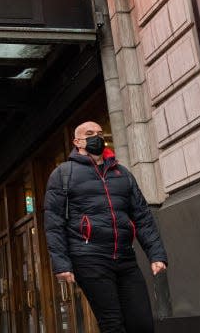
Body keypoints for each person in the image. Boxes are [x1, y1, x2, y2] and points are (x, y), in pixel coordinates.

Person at [44, 121, 168, 333]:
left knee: (142, 323)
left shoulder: (122, 173)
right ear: (77, 142)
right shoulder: (63, 174)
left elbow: (142, 215)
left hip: (125, 258)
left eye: (100, 133)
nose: (97, 137)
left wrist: (156, 253)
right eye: (90, 134)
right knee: (112, 323)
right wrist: (61, 263)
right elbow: (54, 222)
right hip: (89, 258)